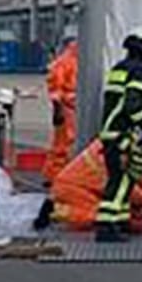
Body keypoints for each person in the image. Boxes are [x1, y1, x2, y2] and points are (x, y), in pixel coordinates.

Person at [95, 27, 142, 241]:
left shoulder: (119, 68)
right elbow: (133, 103)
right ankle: (106, 225)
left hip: (111, 132)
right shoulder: (138, 70)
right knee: (120, 179)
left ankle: (120, 220)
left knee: (123, 179)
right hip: (123, 133)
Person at [44, 28, 79, 179]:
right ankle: (55, 176)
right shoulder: (66, 61)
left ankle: (54, 174)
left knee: (62, 144)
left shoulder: (71, 59)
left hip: (71, 107)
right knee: (64, 144)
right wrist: (58, 109)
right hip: (68, 108)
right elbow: (55, 88)